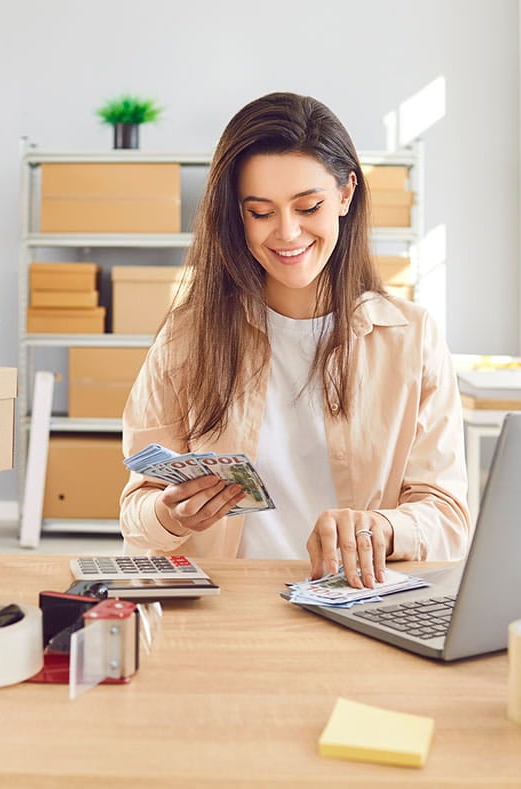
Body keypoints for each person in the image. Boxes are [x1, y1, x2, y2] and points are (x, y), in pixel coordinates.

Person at [119, 92, 470, 589]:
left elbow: (449, 516)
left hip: (357, 601)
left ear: (346, 194)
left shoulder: (410, 338)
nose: (286, 233)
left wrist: (384, 528)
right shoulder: (186, 338)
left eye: (308, 206)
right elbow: (137, 506)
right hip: (227, 604)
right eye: (260, 212)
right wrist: (169, 513)